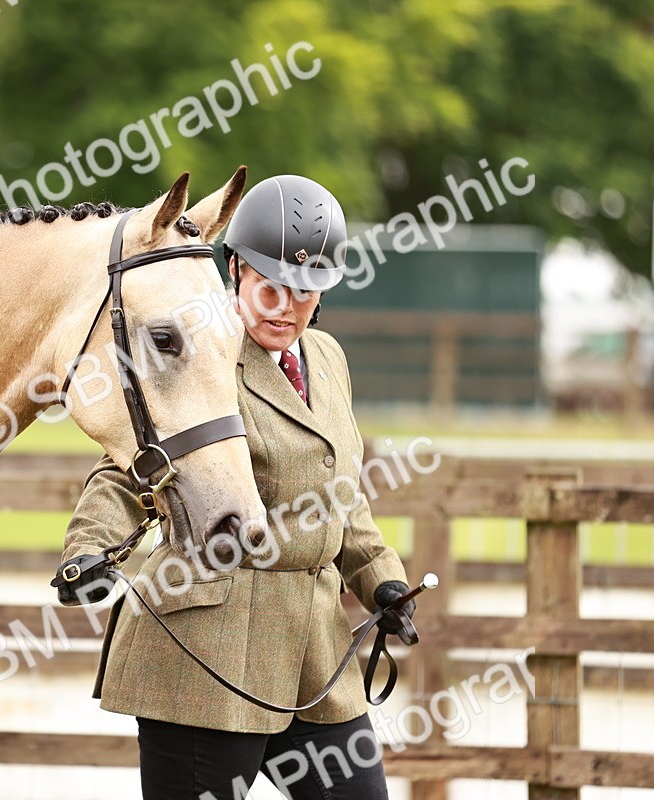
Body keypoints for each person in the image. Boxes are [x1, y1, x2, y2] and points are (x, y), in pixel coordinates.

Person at [54, 175, 416, 799]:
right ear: (237, 271)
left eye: (305, 290)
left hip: (316, 656)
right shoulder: (202, 353)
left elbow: (338, 492)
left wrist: (380, 576)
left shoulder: (327, 359)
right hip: (208, 654)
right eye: (270, 284)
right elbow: (126, 470)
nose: (285, 304)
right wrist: (89, 549)